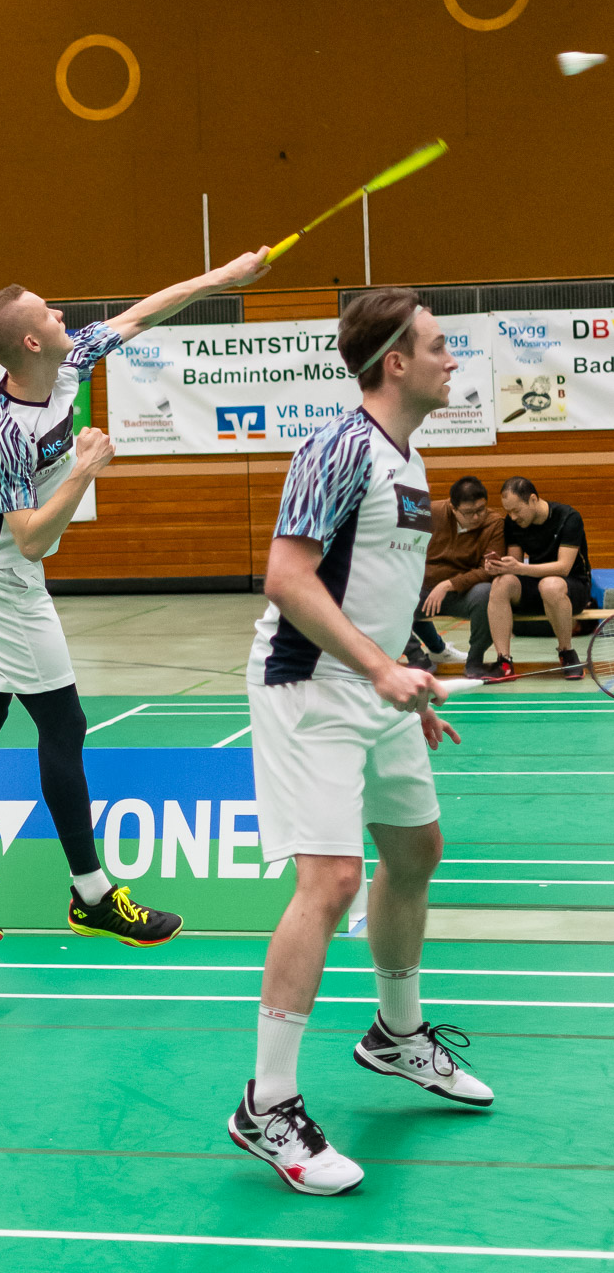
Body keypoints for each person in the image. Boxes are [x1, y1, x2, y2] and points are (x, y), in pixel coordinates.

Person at [0, 248, 270, 945]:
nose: (62, 312)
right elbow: (32, 539)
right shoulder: (4, 429)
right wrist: (85, 468)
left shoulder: (67, 364)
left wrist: (224, 277)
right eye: (48, 311)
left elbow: (141, 315)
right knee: (64, 724)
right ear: (30, 342)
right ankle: (92, 897)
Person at [229, 288, 493, 1199]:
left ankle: (395, 1035)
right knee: (332, 880)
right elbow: (287, 577)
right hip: (309, 686)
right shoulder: (337, 447)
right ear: (395, 362)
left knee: (415, 851)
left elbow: (373, 582)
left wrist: (404, 676)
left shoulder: (408, 457)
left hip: (376, 684)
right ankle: (266, 1105)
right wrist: (380, 671)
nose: (450, 360)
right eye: (438, 346)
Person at [485, 477, 592, 681]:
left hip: (573, 587)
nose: (513, 517)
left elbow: (563, 568)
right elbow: (515, 564)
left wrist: (520, 568)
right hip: (537, 585)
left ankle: (567, 652)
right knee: (501, 583)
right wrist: (500, 567)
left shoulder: (569, 518)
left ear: (533, 499)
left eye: (516, 510)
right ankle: (504, 662)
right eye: (508, 511)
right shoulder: (513, 523)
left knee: (550, 585)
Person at [402, 475, 504, 678]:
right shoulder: (430, 513)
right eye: (468, 513)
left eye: (481, 509)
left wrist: (449, 584)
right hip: (422, 589)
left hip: (463, 594)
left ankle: (475, 661)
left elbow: (489, 570)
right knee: (387, 594)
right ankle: (416, 658)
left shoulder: (495, 524)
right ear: (452, 507)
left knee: (487, 593)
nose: (476, 517)